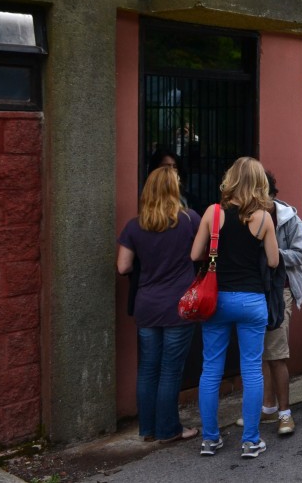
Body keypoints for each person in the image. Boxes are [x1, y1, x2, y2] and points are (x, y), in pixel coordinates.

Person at [191, 157, 279, 459]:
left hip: (217, 300)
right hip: (252, 300)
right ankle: (251, 441)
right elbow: (273, 261)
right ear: (259, 184)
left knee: (211, 367)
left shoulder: (213, 213)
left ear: (230, 179)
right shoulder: (264, 218)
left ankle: (210, 439)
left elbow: (195, 253)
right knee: (252, 368)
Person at [116, 167, 201, 444]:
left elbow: (123, 266)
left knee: (148, 368)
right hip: (179, 305)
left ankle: (148, 429)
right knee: (170, 370)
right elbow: (202, 254)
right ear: (174, 190)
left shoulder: (134, 226)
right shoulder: (189, 221)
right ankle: (169, 429)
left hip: (147, 305)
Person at [255, 172, 302, 436]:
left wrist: (273, 254)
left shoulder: (289, 218)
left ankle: (285, 413)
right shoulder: (247, 216)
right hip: (255, 291)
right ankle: (267, 408)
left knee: (276, 353)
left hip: (282, 290)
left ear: (271, 194)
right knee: (262, 354)